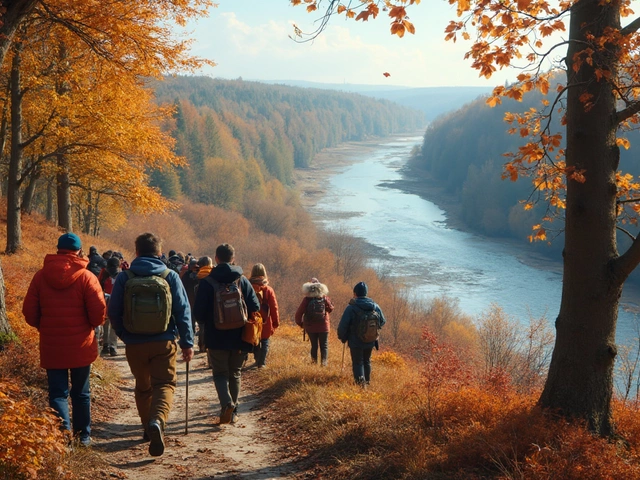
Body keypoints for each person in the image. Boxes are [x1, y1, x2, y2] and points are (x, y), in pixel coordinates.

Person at [108, 232, 193, 457]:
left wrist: (124, 334)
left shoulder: (126, 277)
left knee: (143, 386)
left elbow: (113, 310)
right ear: (159, 253)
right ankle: (158, 420)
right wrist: (187, 342)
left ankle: (147, 428)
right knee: (164, 384)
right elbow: (183, 311)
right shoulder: (170, 275)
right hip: (163, 341)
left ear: (136, 252)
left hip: (134, 343)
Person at [22, 233, 106, 447]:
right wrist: (90, 326)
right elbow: (98, 314)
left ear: (58, 249)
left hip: (52, 345)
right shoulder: (87, 277)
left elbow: (29, 313)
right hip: (81, 345)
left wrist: (45, 326)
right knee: (81, 393)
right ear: (79, 251)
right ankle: (83, 437)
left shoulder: (40, 277)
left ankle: (63, 436)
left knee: (58, 393)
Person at [193, 243, 260, 425]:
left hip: (216, 337)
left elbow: (198, 313)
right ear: (233, 258)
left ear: (216, 259)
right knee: (235, 373)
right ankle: (234, 411)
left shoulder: (207, 282)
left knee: (220, 374)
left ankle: (226, 403)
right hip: (240, 336)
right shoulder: (242, 280)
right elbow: (255, 307)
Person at [337, 282, 386, 387]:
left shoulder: (351, 307)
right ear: (366, 293)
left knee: (358, 362)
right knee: (367, 361)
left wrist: (342, 337)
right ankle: (367, 384)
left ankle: (360, 387)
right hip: (370, 340)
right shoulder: (375, 306)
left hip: (355, 341)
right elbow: (382, 321)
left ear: (355, 293)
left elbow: (343, 325)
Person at [295, 278, 334, 366]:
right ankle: (324, 364)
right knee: (324, 346)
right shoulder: (324, 298)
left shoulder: (307, 299)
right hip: (324, 326)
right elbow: (331, 308)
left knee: (314, 346)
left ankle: (313, 363)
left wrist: (301, 324)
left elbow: (298, 313)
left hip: (310, 326)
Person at [248, 263, 280, 368]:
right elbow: (274, 307)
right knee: (265, 340)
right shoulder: (268, 289)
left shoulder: (248, 286)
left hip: (252, 318)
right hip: (265, 320)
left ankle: (257, 359)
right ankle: (262, 363)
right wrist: (275, 322)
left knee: (255, 339)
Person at [99, 256, 122, 356]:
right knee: (114, 325)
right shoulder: (120, 274)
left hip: (105, 301)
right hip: (116, 301)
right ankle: (113, 346)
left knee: (106, 324)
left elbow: (98, 287)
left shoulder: (104, 274)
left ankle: (105, 345)